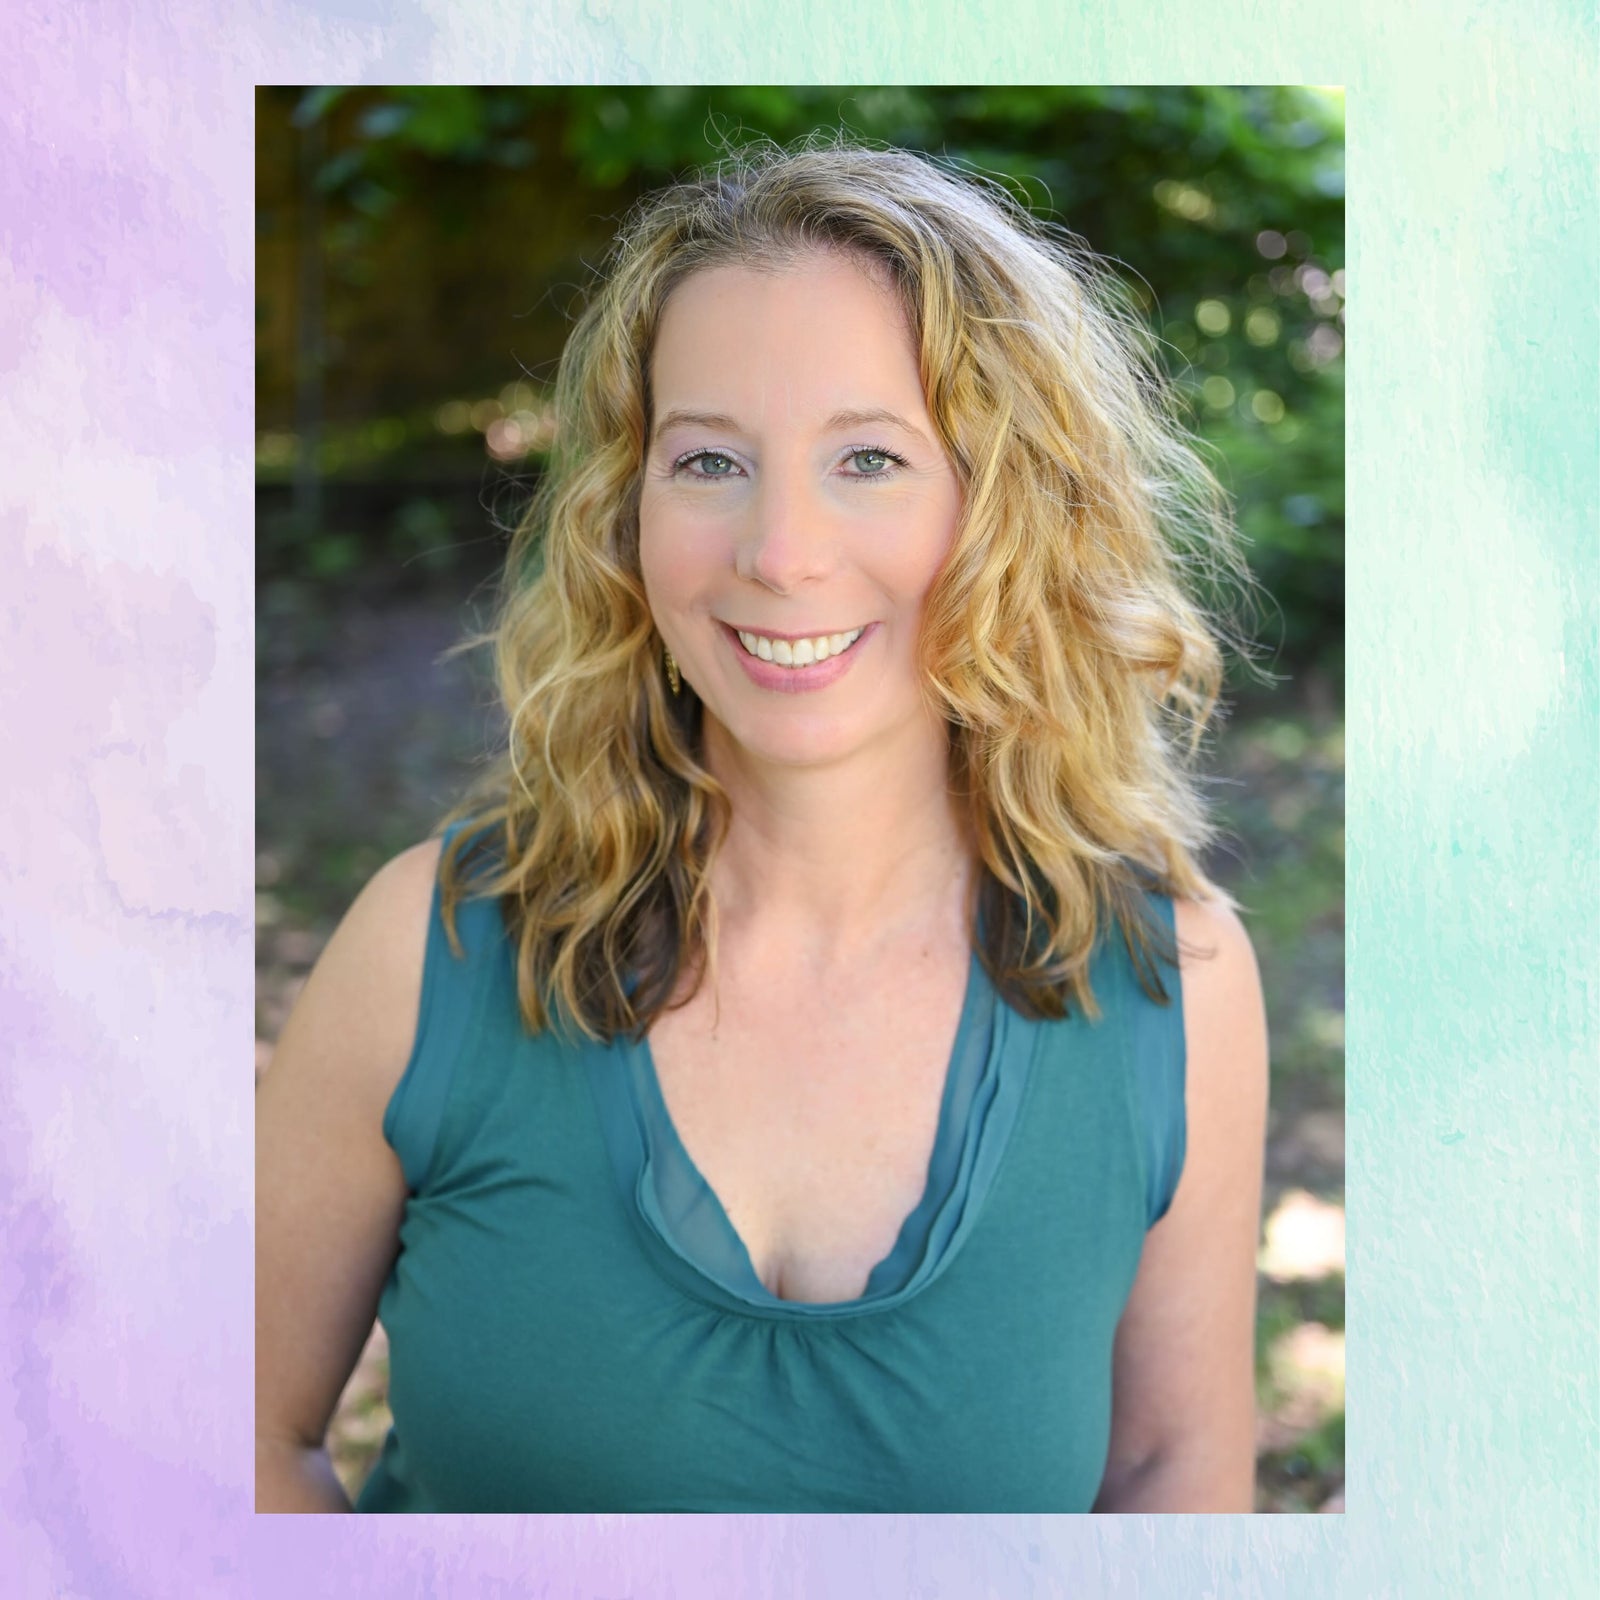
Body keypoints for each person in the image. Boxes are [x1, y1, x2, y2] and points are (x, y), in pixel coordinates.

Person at [255, 136, 1269, 1514]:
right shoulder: (427, 948)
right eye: (709, 461)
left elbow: (1170, 1485)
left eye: (868, 457)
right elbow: (225, 1445)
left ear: (1009, 510)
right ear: (626, 512)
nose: (780, 550)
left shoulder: (1175, 986)